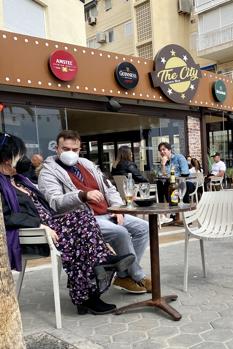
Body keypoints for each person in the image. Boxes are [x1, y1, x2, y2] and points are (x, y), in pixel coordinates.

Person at [0, 133, 135, 314]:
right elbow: (5, 217)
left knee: (82, 221)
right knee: (81, 240)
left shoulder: (18, 180)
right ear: (6, 159)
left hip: (50, 223)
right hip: (36, 232)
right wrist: (38, 225)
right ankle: (91, 290)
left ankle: (94, 279)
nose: (24, 160)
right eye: (19, 156)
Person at [38, 130, 151, 294]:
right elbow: (56, 203)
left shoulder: (87, 164)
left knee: (143, 227)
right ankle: (137, 276)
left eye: (74, 150)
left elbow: (109, 188)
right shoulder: (48, 172)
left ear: (80, 149)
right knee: (121, 233)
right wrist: (81, 195)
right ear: (57, 148)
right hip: (84, 219)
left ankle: (123, 276)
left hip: (109, 213)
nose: (70, 153)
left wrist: (118, 209)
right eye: (65, 149)